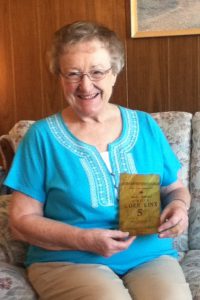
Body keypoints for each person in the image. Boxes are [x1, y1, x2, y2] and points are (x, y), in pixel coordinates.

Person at [5, 21, 192, 300]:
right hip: (69, 259)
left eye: (97, 72)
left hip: (148, 255)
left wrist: (179, 206)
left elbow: (174, 188)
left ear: (114, 74)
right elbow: (20, 221)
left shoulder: (145, 126)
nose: (85, 85)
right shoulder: (41, 137)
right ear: (59, 77)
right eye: (73, 73)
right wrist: (83, 239)